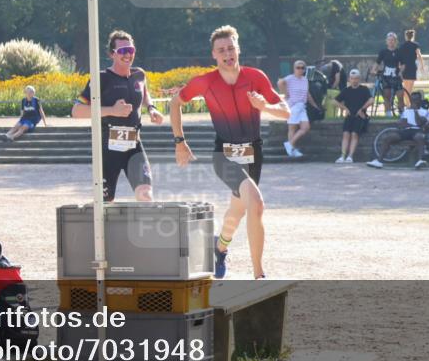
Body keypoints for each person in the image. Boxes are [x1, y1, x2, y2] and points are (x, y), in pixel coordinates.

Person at [170, 25, 290, 280]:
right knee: (256, 204)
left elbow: (285, 111)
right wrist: (180, 141)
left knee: (239, 210)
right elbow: (175, 102)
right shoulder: (205, 81)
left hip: (253, 154)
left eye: (231, 48)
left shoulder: (256, 77)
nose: (227, 54)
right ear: (214, 54)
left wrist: (265, 106)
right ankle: (259, 275)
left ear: (238, 49)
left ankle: (219, 247)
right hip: (223, 155)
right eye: (221, 50)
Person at [72, 30, 163, 201]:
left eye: (131, 50)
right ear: (111, 54)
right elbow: (76, 111)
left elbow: (143, 92)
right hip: (108, 148)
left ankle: (140, 228)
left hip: (134, 146)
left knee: (146, 195)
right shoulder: (101, 78)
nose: (127, 54)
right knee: (104, 203)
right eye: (122, 51)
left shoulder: (139, 74)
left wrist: (151, 108)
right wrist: (111, 111)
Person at [367, 91, 429, 170]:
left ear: (420, 100)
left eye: (416, 100)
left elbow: (419, 123)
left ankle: (420, 160)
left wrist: (415, 111)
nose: (414, 102)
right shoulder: (406, 111)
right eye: (412, 100)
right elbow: (402, 124)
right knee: (389, 137)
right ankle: (379, 161)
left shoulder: (425, 112)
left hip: (417, 131)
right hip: (406, 131)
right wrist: (410, 124)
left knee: (420, 137)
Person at [278, 60, 321, 158]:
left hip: (302, 106)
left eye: (302, 68)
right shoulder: (290, 78)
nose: (300, 69)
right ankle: (292, 149)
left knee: (305, 127)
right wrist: (285, 93)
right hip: (293, 106)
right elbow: (280, 82)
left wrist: (315, 105)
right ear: (294, 68)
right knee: (292, 128)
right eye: (298, 67)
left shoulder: (305, 80)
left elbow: (307, 94)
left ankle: (290, 144)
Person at [334, 69, 373, 163]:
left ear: (359, 79)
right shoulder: (346, 90)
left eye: (356, 78)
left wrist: (362, 109)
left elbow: (371, 100)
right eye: (352, 78)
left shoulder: (364, 89)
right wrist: (345, 109)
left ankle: (350, 156)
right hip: (349, 115)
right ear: (349, 79)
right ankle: (342, 156)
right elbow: (334, 101)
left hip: (359, 116)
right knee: (346, 134)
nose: (354, 80)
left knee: (354, 134)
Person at [374, 32, 405, 117]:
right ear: (386, 41)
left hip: (396, 76)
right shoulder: (383, 52)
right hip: (386, 77)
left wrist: (401, 71)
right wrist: (373, 70)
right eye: (389, 40)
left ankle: (402, 114)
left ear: (396, 41)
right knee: (386, 96)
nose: (391, 42)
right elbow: (377, 62)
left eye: (393, 40)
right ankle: (388, 115)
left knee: (401, 96)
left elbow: (403, 64)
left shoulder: (399, 51)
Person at [398, 29, 426, 95]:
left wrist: (399, 68)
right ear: (413, 36)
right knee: (410, 88)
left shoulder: (402, 46)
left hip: (404, 67)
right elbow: (419, 55)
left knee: (405, 87)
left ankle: (406, 103)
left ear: (405, 36)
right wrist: (422, 66)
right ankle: (408, 103)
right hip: (412, 67)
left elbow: (399, 57)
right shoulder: (415, 45)